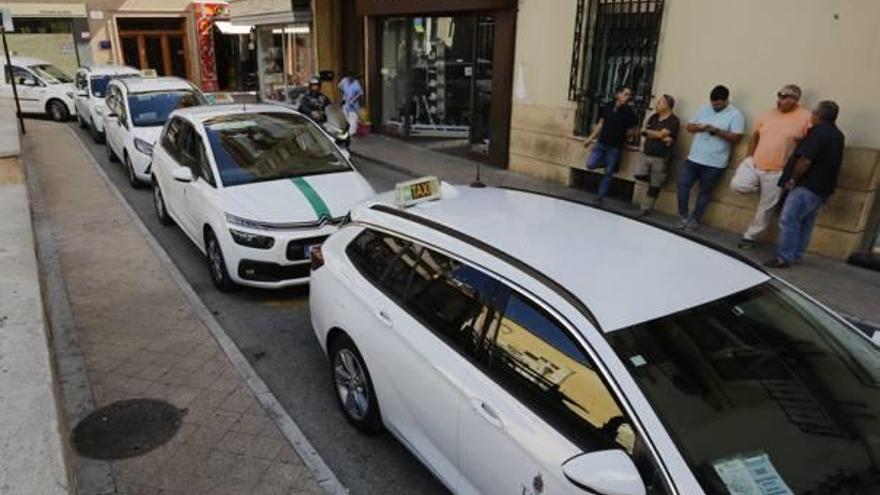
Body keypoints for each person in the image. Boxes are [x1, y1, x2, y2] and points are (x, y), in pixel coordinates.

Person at [765, 101, 845, 268]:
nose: (811, 116)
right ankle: (796, 255)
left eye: (813, 113)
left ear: (818, 115)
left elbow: (805, 160)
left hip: (806, 186)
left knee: (789, 220)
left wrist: (792, 179)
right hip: (823, 188)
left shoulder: (817, 133)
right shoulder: (837, 134)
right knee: (806, 222)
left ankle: (784, 258)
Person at [732, 84, 812, 249]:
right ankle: (764, 192)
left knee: (766, 208)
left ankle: (750, 236)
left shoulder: (806, 117)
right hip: (755, 163)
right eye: (779, 96)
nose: (780, 100)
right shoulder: (767, 114)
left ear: (795, 100)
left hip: (779, 170)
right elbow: (754, 136)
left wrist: (795, 170)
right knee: (738, 185)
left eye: (784, 97)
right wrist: (749, 157)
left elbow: (809, 144)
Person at [676, 85, 745, 231]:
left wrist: (717, 131)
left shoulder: (735, 114)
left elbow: (737, 138)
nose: (715, 106)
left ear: (726, 100)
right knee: (682, 185)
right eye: (713, 103)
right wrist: (701, 128)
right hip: (694, 158)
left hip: (715, 163)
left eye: (718, 104)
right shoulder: (704, 109)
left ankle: (695, 219)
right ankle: (683, 215)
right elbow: (689, 127)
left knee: (704, 193)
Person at [583, 86, 638, 205]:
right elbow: (600, 124)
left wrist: (631, 135)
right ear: (618, 94)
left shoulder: (629, 113)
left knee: (608, 173)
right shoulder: (607, 106)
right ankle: (606, 164)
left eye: (629, 95)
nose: (627, 97)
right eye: (625, 94)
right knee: (590, 164)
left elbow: (631, 131)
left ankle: (600, 197)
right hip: (601, 143)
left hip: (614, 147)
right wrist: (590, 139)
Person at [634, 94, 680, 216]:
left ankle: (646, 208)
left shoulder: (673, 121)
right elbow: (645, 132)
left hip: (661, 157)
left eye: (660, 102)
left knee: (654, 185)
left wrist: (657, 135)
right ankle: (659, 180)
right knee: (639, 175)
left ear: (667, 105)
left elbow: (660, 135)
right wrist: (659, 135)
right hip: (647, 153)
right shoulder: (653, 117)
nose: (656, 104)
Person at [338, 72, 364, 137]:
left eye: (351, 78)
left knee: (353, 118)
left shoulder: (356, 83)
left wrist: (353, 100)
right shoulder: (344, 81)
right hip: (346, 102)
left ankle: (351, 133)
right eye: (349, 77)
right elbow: (339, 87)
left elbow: (359, 93)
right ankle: (346, 131)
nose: (350, 79)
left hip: (353, 103)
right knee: (345, 117)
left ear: (353, 78)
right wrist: (343, 94)